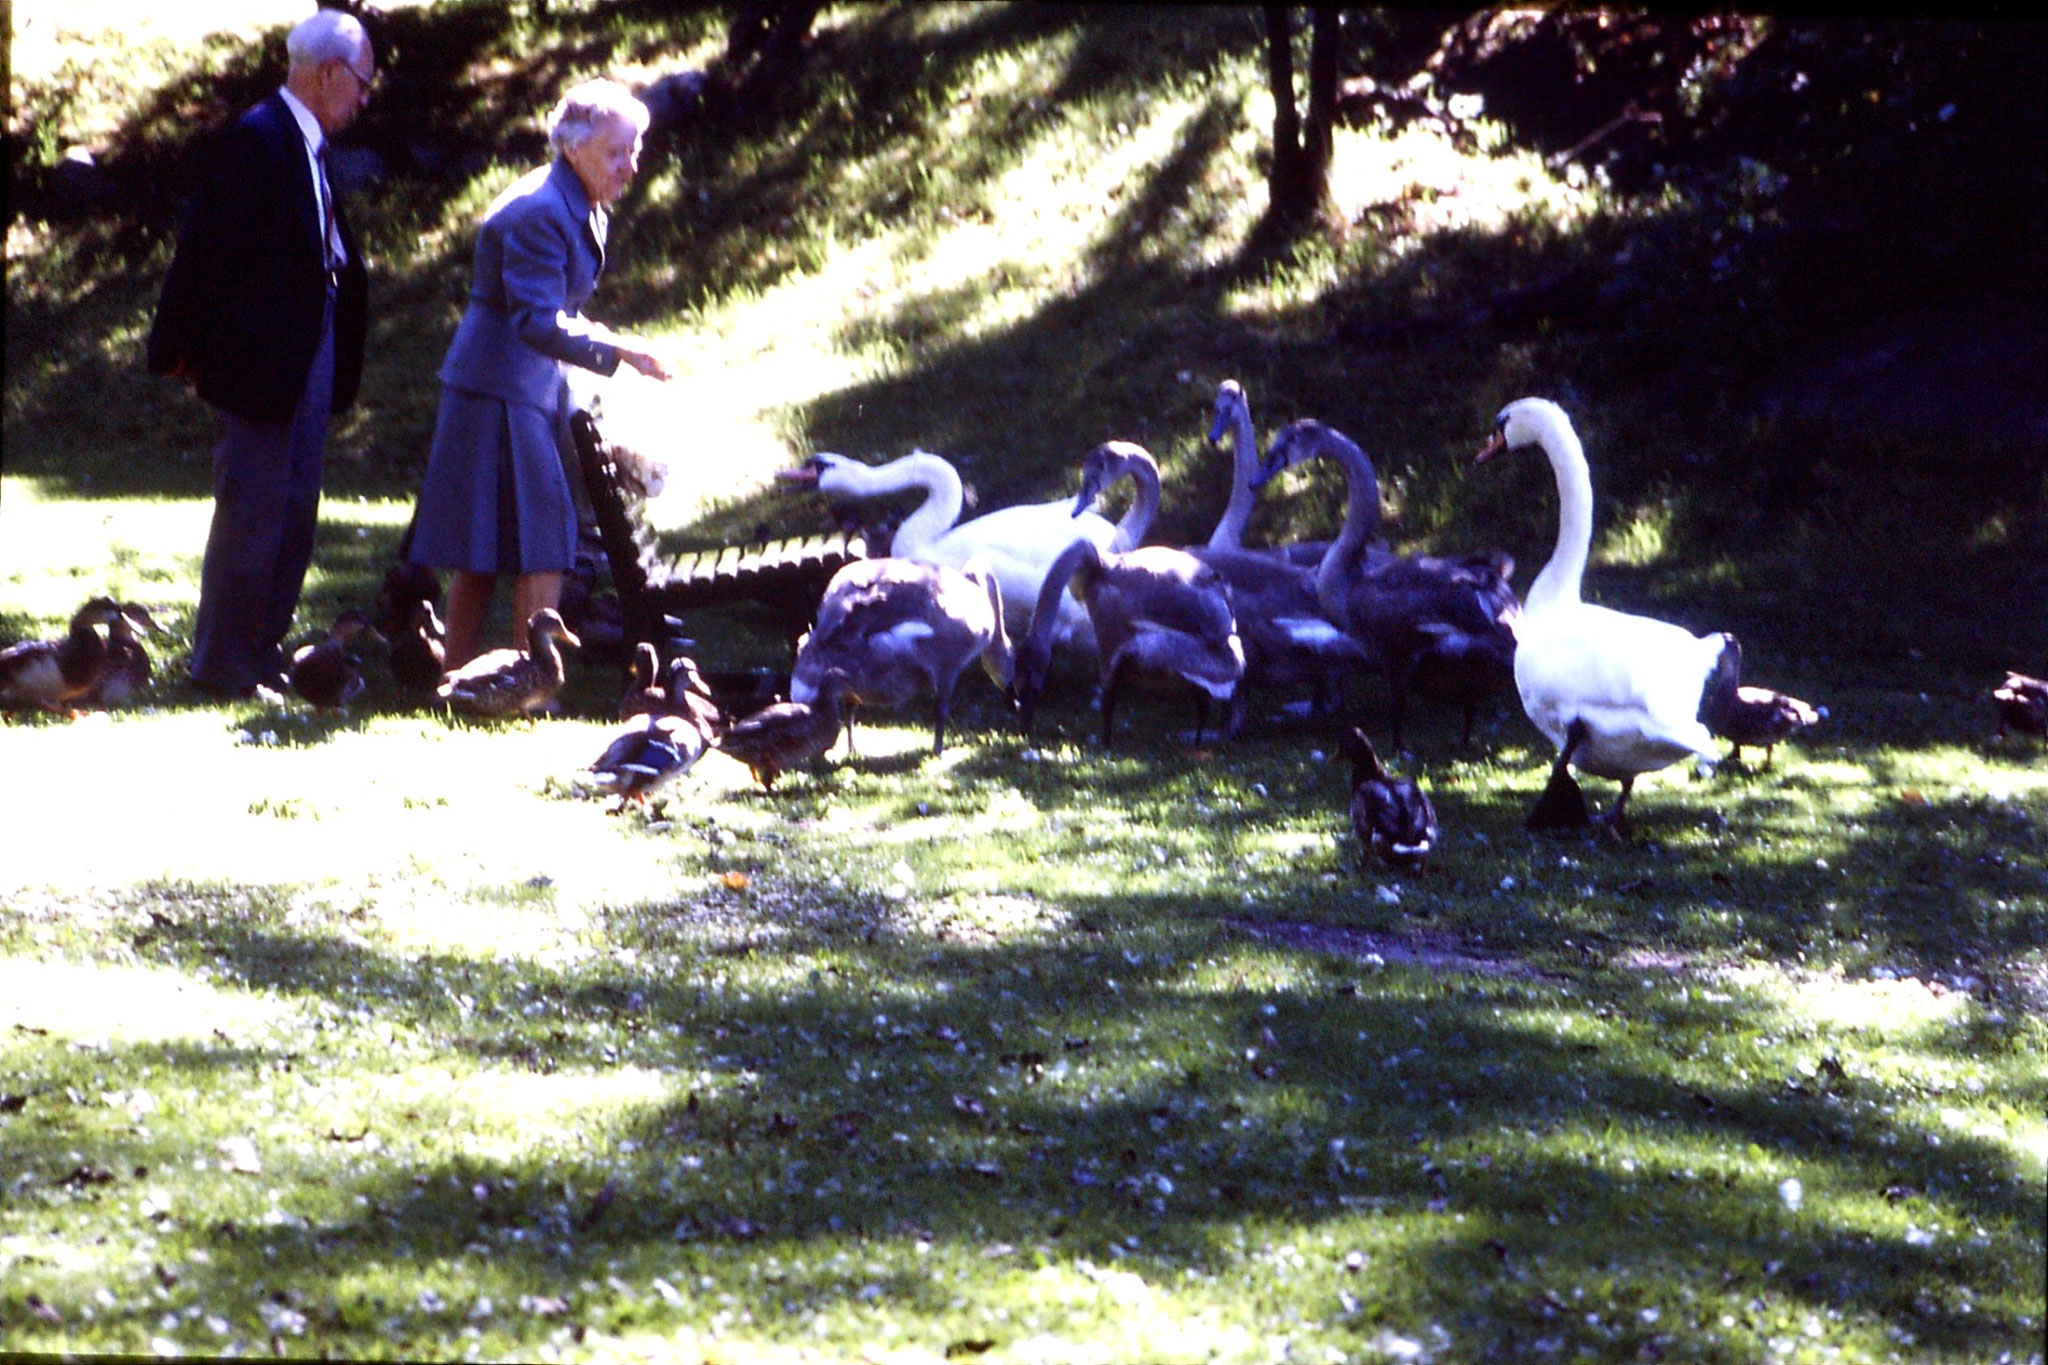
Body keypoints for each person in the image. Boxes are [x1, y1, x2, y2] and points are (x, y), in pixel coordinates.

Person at [404, 78, 673, 669]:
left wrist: (607, 352)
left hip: (525, 387)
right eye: (616, 152)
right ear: (574, 148)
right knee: (532, 538)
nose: (629, 167)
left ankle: (475, 671)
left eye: (635, 151)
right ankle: (514, 677)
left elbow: (555, 310)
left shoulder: (578, 201)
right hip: (495, 386)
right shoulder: (539, 211)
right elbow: (536, 319)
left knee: (509, 538)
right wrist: (620, 350)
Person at [148, 9, 376, 700]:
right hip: (257, 361)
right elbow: (205, 251)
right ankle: (221, 665)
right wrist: (178, 347)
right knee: (254, 507)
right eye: (362, 84)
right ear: (329, 73)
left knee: (295, 506)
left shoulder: (307, 145)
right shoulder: (258, 138)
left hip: (307, 349)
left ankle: (261, 649)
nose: (365, 99)